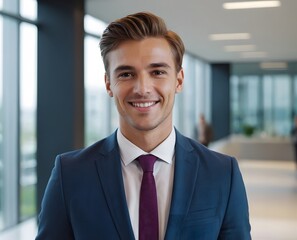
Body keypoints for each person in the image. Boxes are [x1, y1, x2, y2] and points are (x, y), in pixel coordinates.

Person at [36, 12, 251, 240]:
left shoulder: (221, 173)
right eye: (126, 74)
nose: (142, 88)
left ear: (178, 80)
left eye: (157, 72)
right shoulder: (70, 174)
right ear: (109, 84)